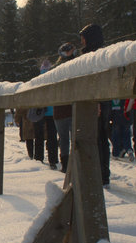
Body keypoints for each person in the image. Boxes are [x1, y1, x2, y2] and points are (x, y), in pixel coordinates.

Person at [78, 24, 112, 186]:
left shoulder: (96, 55)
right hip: (95, 101)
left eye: (83, 37)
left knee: (97, 138)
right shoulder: (93, 54)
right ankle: (99, 172)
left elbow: (97, 80)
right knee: (98, 138)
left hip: (97, 102)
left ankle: (100, 174)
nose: (82, 41)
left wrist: (97, 101)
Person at [52, 42, 77, 172]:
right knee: (67, 139)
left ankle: (69, 164)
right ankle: (68, 164)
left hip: (65, 109)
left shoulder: (56, 68)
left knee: (67, 139)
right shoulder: (67, 66)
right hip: (65, 109)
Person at [37, 59, 59, 169]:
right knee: (52, 136)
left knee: (39, 136)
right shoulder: (53, 78)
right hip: (52, 111)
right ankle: (53, 159)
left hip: (40, 111)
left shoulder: (39, 79)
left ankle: (39, 157)